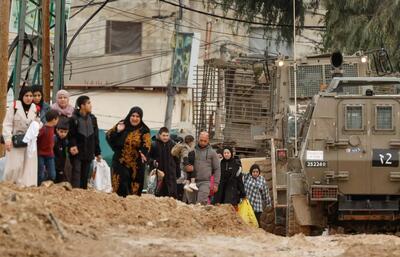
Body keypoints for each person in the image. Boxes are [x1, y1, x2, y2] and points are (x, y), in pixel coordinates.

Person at [106, 107, 151, 197]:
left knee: (134, 188)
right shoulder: (122, 124)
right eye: (133, 116)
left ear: (141, 118)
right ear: (129, 116)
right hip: (120, 161)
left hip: (136, 163)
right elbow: (109, 136)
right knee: (121, 184)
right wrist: (118, 131)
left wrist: (143, 152)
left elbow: (147, 144)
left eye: (137, 116)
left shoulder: (144, 130)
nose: (135, 118)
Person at [2, 86, 40, 187]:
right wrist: (7, 140)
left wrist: (37, 127)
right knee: (14, 165)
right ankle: (8, 185)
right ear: (22, 96)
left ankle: (27, 187)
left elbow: (38, 122)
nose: (29, 98)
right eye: (26, 95)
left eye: (31, 96)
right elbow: (7, 124)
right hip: (16, 141)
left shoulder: (35, 108)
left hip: (30, 142)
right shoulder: (14, 106)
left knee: (29, 166)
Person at [68, 95, 101, 189]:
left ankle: (83, 196)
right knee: (76, 175)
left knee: (85, 176)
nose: (91, 105)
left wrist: (98, 152)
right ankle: (75, 195)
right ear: (82, 106)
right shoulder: (74, 119)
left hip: (89, 153)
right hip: (77, 153)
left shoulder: (93, 119)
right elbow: (71, 135)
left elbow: (96, 137)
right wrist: (73, 145)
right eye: (88, 103)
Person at [185, 132, 220, 204]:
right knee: (191, 204)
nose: (203, 142)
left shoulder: (212, 153)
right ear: (198, 139)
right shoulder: (192, 150)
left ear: (208, 141)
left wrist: (216, 184)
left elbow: (217, 168)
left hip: (205, 182)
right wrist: (186, 167)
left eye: (205, 141)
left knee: (201, 203)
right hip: (191, 181)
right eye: (201, 140)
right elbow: (183, 163)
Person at [149, 127, 179, 198]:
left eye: (167, 135)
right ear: (159, 135)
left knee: (171, 195)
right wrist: (153, 162)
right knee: (158, 194)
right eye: (163, 135)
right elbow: (148, 157)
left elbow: (177, 159)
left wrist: (178, 172)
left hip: (171, 174)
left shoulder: (173, 144)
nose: (165, 137)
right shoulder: (154, 144)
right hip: (159, 174)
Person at [37, 110, 59, 185]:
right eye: (57, 119)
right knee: (40, 174)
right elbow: (36, 139)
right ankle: (39, 187)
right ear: (54, 120)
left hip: (50, 154)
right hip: (41, 154)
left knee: (52, 175)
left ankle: (48, 186)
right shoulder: (43, 129)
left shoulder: (54, 129)